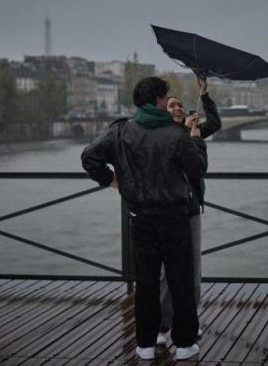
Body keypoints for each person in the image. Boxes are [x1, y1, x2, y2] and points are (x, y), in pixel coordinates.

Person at [81, 76, 206, 361]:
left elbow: (89, 157)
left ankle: (145, 345)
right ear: (159, 100)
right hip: (174, 218)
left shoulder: (121, 132)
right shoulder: (176, 135)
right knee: (180, 281)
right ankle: (185, 344)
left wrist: (111, 179)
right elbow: (197, 169)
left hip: (140, 218)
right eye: (166, 96)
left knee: (146, 283)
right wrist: (195, 139)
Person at [158, 78, 221, 345]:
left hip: (191, 208)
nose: (178, 108)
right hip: (167, 208)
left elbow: (216, 124)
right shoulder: (161, 134)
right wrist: (190, 136)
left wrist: (204, 96)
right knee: (164, 271)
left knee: (193, 269)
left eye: (181, 104)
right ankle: (162, 325)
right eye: (171, 105)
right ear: (163, 111)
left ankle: (189, 321)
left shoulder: (192, 130)